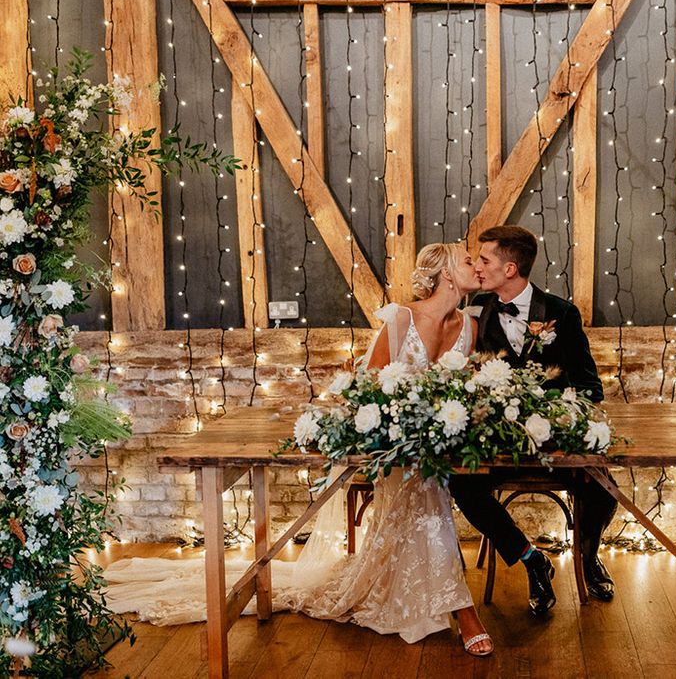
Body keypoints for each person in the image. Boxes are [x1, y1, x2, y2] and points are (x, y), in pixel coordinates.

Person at [104, 243, 494, 656]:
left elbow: (458, 393)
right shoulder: (400, 318)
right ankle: (464, 612)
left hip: (428, 447)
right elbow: (369, 390)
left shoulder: (468, 327)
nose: (477, 266)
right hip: (388, 446)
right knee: (429, 498)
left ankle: (424, 593)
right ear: (447, 273)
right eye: (469, 260)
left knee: (427, 494)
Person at [450, 225, 617, 616]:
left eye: (485, 259)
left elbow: (590, 385)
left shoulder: (562, 313)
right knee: (462, 484)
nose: (478, 267)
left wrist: (551, 412)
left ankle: (588, 557)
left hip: (553, 441)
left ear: (510, 269)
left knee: (604, 487)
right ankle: (531, 561)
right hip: (498, 443)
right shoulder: (473, 313)